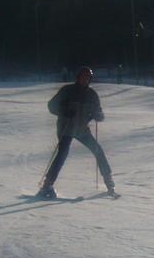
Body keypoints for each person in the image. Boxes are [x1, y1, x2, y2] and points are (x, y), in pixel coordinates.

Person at [38, 67, 115, 198]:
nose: (85, 79)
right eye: (83, 77)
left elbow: (98, 111)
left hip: (81, 129)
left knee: (98, 150)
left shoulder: (92, 95)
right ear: (78, 77)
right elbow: (51, 105)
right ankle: (47, 184)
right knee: (62, 154)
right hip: (66, 128)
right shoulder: (68, 91)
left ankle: (109, 182)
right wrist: (64, 111)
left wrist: (98, 116)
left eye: (88, 78)